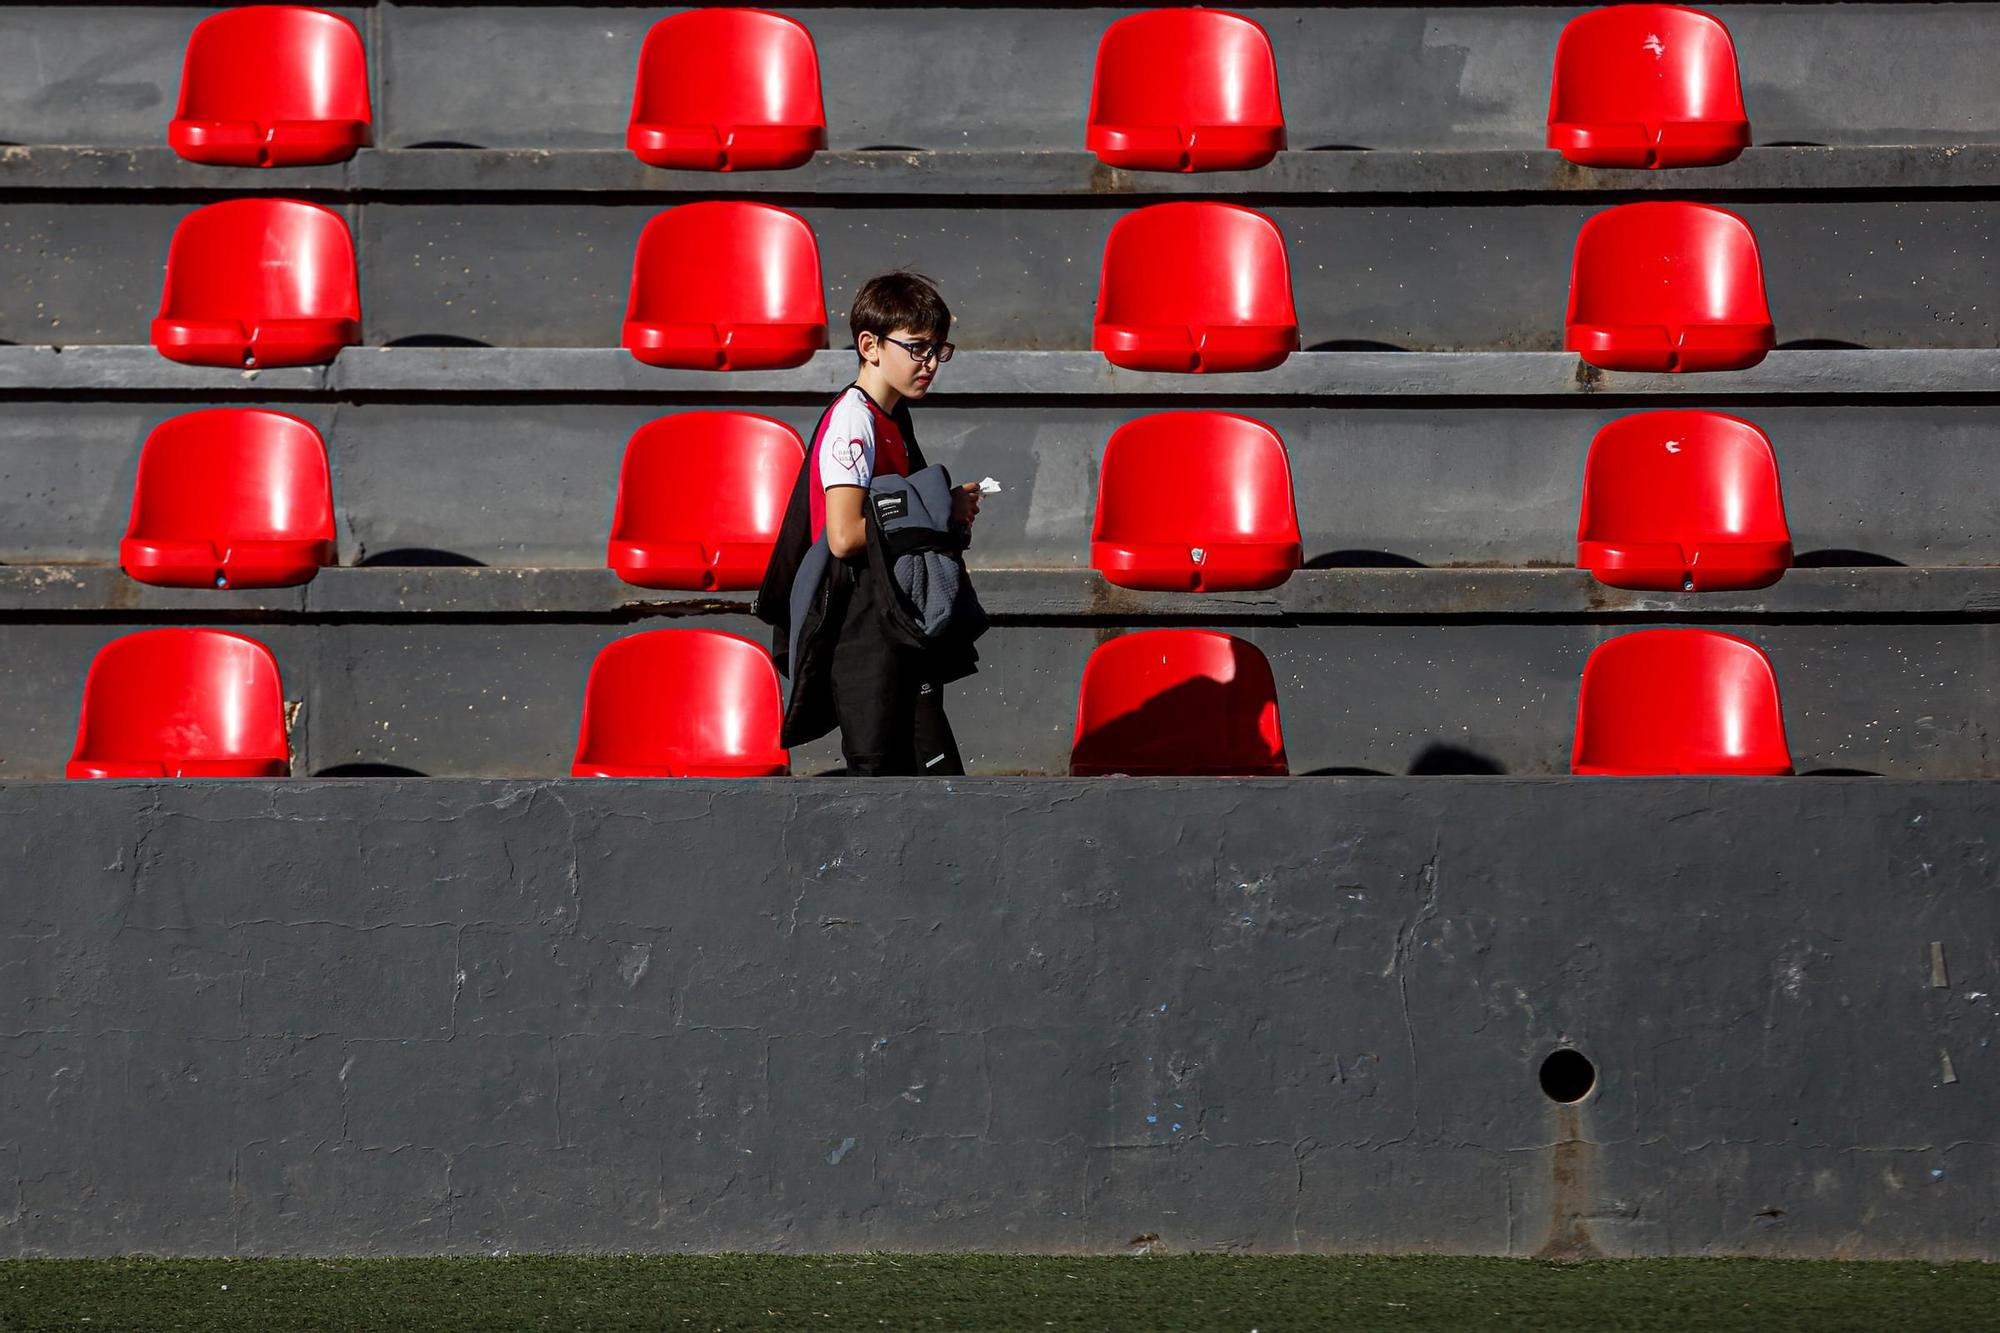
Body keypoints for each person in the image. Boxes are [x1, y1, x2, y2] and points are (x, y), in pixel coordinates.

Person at [755, 272, 982, 775]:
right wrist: (938, 511)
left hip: (888, 617)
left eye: (938, 351)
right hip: (859, 629)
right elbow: (844, 536)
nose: (929, 364)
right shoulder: (853, 421)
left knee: (929, 768)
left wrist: (941, 509)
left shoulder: (893, 418)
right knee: (883, 774)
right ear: (870, 345)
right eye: (917, 347)